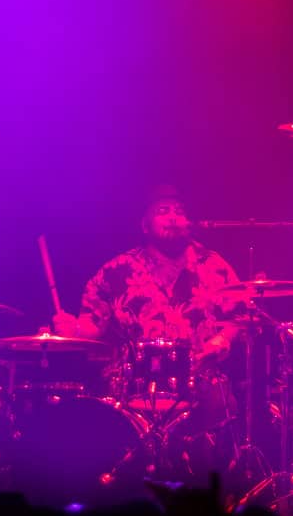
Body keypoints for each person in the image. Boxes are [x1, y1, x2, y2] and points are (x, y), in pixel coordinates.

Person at [53, 185, 246, 480]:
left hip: (201, 376)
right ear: (144, 225)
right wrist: (73, 329)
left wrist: (221, 341)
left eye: (179, 211)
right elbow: (93, 325)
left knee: (220, 414)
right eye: (162, 211)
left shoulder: (213, 265)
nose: (173, 217)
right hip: (134, 383)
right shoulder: (117, 270)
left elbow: (241, 317)